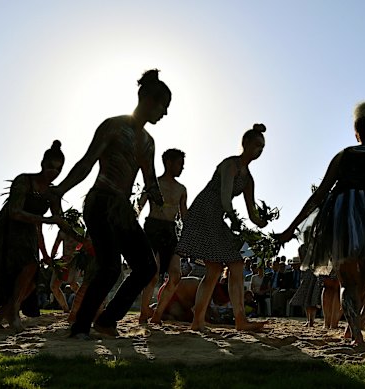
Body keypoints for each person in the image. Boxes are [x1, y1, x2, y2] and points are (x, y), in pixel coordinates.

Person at [278, 102, 365, 345]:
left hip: (341, 216)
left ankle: (354, 329)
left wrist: (291, 228)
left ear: (357, 134)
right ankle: (353, 330)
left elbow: (319, 194)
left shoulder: (343, 155)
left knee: (347, 279)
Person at [50, 69, 171, 338]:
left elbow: (150, 180)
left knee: (146, 266)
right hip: (101, 202)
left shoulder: (148, 142)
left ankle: (106, 321)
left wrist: (158, 198)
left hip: (122, 210)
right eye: (164, 106)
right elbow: (86, 163)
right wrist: (60, 190)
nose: (164, 113)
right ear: (148, 100)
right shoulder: (114, 126)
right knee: (110, 266)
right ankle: (80, 327)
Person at [176, 124, 269, 332]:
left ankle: (216, 320)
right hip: (205, 212)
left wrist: (262, 222)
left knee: (220, 268)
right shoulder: (230, 165)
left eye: (262, 147)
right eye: (256, 145)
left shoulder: (248, 179)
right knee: (226, 265)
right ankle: (221, 320)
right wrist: (235, 221)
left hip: (218, 218)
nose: (259, 150)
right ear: (245, 144)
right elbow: (225, 200)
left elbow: (252, 212)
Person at [0, 141, 66, 331]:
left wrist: (82, 239)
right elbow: (14, 211)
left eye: (58, 169)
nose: (53, 172)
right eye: (50, 167)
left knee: (30, 282)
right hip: (8, 230)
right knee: (24, 269)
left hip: (29, 232)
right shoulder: (24, 180)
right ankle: (13, 313)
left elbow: (61, 222)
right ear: (42, 164)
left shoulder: (53, 194)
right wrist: (47, 220)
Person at [135, 148, 187, 324]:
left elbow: (184, 215)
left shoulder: (181, 189)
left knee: (175, 276)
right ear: (169, 163)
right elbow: (138, 207)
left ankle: (157, 315)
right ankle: (143, 313)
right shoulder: (153, 184)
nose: (182, 168)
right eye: (179, 163)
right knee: (153, 275)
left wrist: (192, 234)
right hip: (153, 228)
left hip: (171, 231)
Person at [50, 229, 81, 312]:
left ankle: (86, 304)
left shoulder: (79, 230)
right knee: (54, 286)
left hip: (75, 261)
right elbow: (56, 245)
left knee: (73, 285)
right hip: (63, 260)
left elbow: (82, 246)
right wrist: (52, 259)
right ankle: (65, 309)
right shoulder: (62, 231)